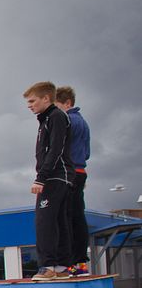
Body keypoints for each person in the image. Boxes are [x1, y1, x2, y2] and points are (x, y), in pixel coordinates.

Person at [24, 81, 75, 281]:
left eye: (32, 101)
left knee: (44, 221)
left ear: (46, 98)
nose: (30, 105)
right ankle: (61, 267)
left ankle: (47, 266)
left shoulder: (56, 117)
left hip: (54, 176)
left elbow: (55, 149)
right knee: (58, 221)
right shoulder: (46, 119)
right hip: (60, 176)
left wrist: (41, 178)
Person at [56, 86, 91, 277]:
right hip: (80, 170)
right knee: (78, 215)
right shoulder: (83, 122)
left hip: (69, 172)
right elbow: (86, 152)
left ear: (67, 103)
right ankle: (80, 262)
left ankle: (69, 263)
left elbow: (58, 148)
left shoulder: (68, 120)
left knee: (67, 217)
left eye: (57, 106)